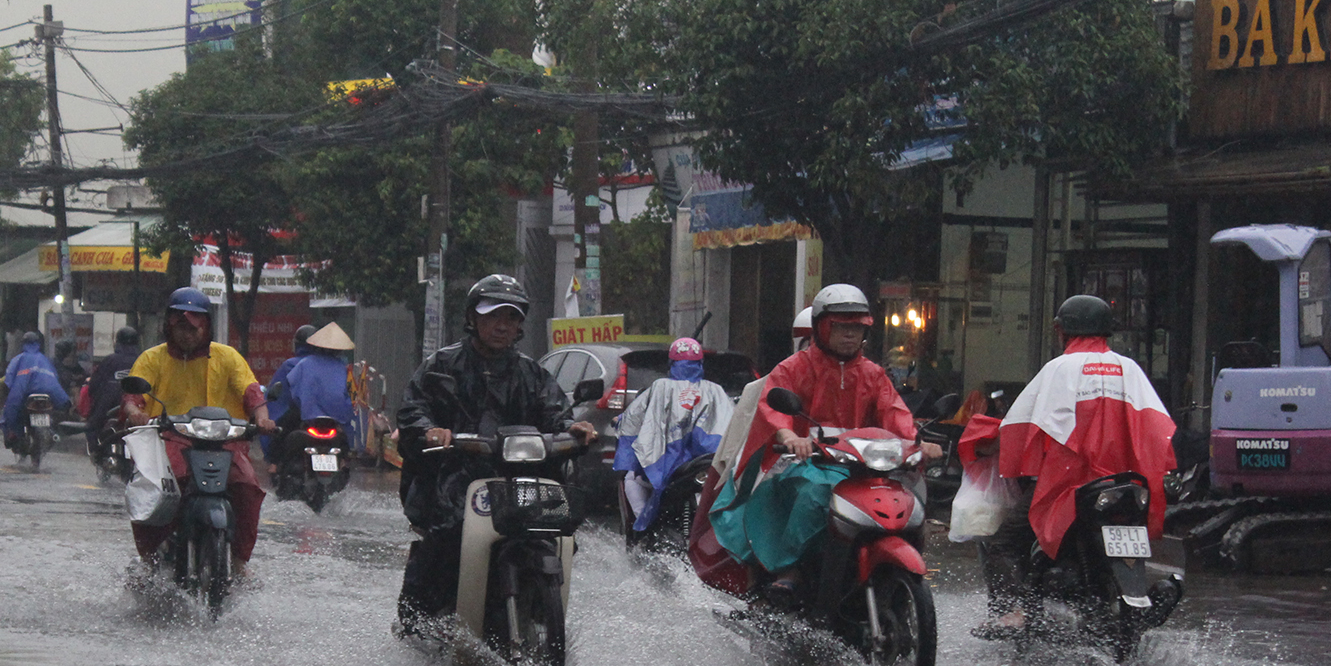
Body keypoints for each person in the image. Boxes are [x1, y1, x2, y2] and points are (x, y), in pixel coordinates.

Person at [709, 283, 940, 603]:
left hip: (864, 464)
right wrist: (789, 436)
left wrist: (917, 442)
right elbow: (772, 408)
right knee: (814, 492)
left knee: (905, 492)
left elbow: (895, 412)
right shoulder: (794, 367)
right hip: (807, 461)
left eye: (857, 328)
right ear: (820, 327)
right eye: (841, 327)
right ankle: (789, 570)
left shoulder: (873, 374)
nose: (850, 335)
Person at [964, 293, 1176, 637]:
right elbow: (1158, 429)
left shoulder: (1059, 369)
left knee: (1003, 543)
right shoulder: (1131, 369)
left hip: (1071, 485)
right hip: (1127, 487)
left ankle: (1013, 613)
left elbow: (1022, 426)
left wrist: (986, 442)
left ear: (1061, 330)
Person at [395, 274, 596, 629]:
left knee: (559, 535)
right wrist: (431, 432)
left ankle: (537, 609)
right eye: (493, 316)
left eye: (512, 318)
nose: (503, 326)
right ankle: (422, 623)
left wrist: (572, 430)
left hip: (520, 480)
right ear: (473, 318)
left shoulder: (533, 374)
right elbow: (413, 410)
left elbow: (557, 415)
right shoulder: (442, 366)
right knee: (441, 545)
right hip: (456, 481)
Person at [121, 288, 273, 571]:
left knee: (248, 487)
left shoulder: (227, 357)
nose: (186, 334)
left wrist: (262, 418)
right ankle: (149, 560)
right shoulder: (152, 358)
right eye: (180, 327)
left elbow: (251, 391)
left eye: (193, 328)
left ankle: (240, 564)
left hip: (222, 443)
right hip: (167, 440)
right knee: (155, 490)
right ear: (168, 325)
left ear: (206, 327)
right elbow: (133, 398)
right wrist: (135, 414)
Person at [614, 336, 732, 535]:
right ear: (700, 363)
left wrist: (620, 421)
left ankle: (643, 529)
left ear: (671, 363)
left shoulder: (660, 387)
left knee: (631, 478)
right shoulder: (716, 390)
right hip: (707, 466)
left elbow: (632, 418)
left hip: (666, 466)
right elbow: (734, 420)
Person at [276, 322, 357, 450]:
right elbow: (350, 395)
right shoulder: (343, 367)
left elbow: (294, 392)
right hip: (339, 416)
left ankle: (274, 463)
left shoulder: (304, 364)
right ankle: (344, 461)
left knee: (281, 426)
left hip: (308, 414)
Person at [0, 330, 70, 448]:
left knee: (13, 409)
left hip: (28, 394)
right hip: (48, 395)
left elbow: (9, 380)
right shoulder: (45, 360)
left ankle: (14, 434)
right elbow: (55, 379)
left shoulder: (18, 359)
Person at [260, 324, 318, 464]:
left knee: (278, 430)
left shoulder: (291, 365)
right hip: (330, 413)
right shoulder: (332, 364)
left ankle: (274, 464)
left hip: (301, 414)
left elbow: (277, 398)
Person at [80, 325, 141, 457]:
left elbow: (94, 385)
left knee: (91, 427)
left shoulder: (109, 360)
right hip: (138, 408)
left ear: (117, 342)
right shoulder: (143, 360)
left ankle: (96, 453)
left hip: (107, 406)